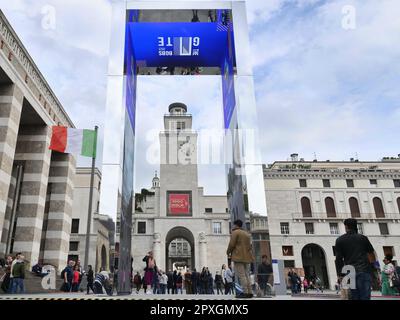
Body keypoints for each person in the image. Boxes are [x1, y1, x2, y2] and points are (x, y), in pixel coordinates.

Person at [335, 218, 378, 300]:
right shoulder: (363, 238)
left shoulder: (340, 240)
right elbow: (371, 254)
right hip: (364, 270)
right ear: (356, 226)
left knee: (354, 296)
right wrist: (373, 267)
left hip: (350, 271)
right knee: (365, 296)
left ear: (346, 227)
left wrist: (340, 274)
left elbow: (338, 259)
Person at [226, 219, 254, 299]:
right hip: (247, 257)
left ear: (236, 225)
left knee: (242, 275)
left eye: (233, 224)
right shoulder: (247, 234)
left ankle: (245, 292)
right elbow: (249, 246)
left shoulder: (235, 232)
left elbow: (231, 244)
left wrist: (228, 252)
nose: (233, 226)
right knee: (246, 275)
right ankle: (250, 292)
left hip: (238, 256)